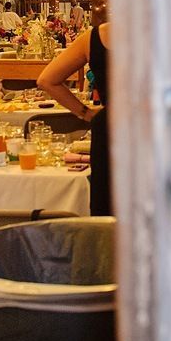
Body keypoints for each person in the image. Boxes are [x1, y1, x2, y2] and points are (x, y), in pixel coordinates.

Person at [37, 23, 110, 215]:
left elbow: (47, 80)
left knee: (108, 209)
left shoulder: (95, 37)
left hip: (111, 127)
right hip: (159, 126)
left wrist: (86, 113)